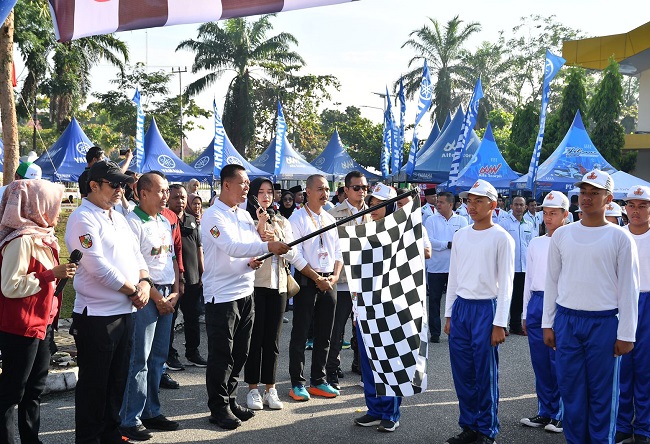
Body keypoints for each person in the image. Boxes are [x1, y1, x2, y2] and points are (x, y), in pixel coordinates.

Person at [542, 170, 639, 444]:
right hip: (568, 321)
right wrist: (548, 324)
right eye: (584, 192)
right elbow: (552, 282)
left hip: (604, 323)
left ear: (608, 199)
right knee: (571, 391)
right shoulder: (562, 236)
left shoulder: (620, 238)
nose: (587, 198)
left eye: (594, 193)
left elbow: (629, 290)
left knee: (602, 394)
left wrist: (626, 334)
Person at [65, 160, 152, 444]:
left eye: (123, 184)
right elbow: (97, 266)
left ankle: (111, 434)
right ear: (94, 186)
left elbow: (138, 256)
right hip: (97, 316)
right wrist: (132, 291)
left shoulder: (118, 216)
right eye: (114, 184)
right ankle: (89, 439)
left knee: (117, 382)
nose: (120, 190)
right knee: (95, 386)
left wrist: (144, 283)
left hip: (124, 312)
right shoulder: (82, 217)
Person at [201, 164, 290, 430]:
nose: (246, 188)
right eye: (242, 183)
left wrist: (256, 257)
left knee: (240, 352)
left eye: (248, 183)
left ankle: (230, 400)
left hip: (245, 290)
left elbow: (249, 249)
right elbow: (230, 246)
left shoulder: (242, 214)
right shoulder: (212, 216)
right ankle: (218, 408)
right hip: (222, 295)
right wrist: (266, 247)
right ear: (226, 185)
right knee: (222, 354)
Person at [0, 179, 75, 444]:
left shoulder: (43, 236)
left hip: (43, 325)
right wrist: (49, 275)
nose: (56, 209)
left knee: (34, 389)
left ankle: (32, 439)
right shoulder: (21, 241)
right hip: (21, 327)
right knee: (12, 392)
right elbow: (10, 286)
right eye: (52, 202)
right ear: (37, 205)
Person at [444, 179, 515, 444]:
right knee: (463, 372)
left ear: (493, 205)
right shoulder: (461, 235)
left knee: (485, 373)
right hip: (462, 307)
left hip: (487, 308)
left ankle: (487, 429)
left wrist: (500, 323)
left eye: (478, 201)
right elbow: (454, 277)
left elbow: (507, 285)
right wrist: (449, 314)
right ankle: (469, 425)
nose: (471, 206)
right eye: (468, 200)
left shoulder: (502, 238)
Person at [120, 171, 180, 441]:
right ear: (143, 193)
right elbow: (135, 268)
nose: (166, 195)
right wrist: (158, 298)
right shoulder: (132, 223)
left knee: (158, 359)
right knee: (139, 360)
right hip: (146, 298)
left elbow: (171, 260)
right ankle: (129, 418)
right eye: (161, 191)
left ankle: (151, 411)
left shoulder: (165, 221)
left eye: (167, 190)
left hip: (168, 295)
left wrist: (177, 291)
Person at [243, 178, 311, 411]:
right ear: (252, 195)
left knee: (272, 340)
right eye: (260, 192)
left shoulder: (282, 220)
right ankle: (252, 388)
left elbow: (292, 252)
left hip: (280, 286)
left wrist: (279, 243)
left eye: (269, 192)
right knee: (255, 338)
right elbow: (245, 252)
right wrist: (261, 232)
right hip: (254, 286)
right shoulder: (245, 220)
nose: (265, 196)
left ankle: (270, 388)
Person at [353, 182, 403, 432]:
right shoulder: (364, 231)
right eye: (371, 203)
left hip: (390, 307)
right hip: (365, 305)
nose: (373, 208)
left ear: (391, 205)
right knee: (368, 360)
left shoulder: (402, 231)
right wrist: (356, 307)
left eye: (379, 204)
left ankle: (390, 413)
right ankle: (373, 409)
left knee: (389, 360)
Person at [288, 174, 343, 402]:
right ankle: (297, 383)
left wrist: (334, 276)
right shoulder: (297, 218)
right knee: (301, 333)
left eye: (327, 189)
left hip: (330, 281)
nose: (325, 193)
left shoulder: (330, 218)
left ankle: (318, 380)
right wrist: (315, 277)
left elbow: (338, 252)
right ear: (308, 192)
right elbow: (294, 254)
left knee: (325, 334)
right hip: (307, 280)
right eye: (320, 189)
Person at [520, 192, 568, 434]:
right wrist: (525, 312)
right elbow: (529, 279)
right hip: (537, 301)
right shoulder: (536, 242)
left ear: (565, 215)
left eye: (553, 213)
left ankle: (561, 413)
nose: (548, 218)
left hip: (560, 303)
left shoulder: (569, 240)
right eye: (545, 213)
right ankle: (545, 410)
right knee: (540, 361)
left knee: (558, 361)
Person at [326, 171, 372, 389]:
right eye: (357, 188)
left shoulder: (373, 213)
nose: (362, 192)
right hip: (343, 281)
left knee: (364, 329)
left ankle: (362, 367)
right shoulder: (334, 214)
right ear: (346, 190)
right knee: (336, 329)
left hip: (366, 282)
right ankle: (332, 370)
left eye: (365, 188)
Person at [616, 185, 650, 444]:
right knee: (622, 368)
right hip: (622, 303)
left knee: (646, 370)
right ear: (625, 208)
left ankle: (645, 428)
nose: (636, 211)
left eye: (643, 205)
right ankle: (622, 425)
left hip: (648, 303)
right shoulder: (617, 236)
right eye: (632, 205)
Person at [168, 185, 207, 369]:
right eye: (176, 197)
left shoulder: (192, 220)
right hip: (173, 280)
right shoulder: (164, 220)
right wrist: (178, 279)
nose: (180, 201)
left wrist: (202, 271)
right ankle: (169, 354)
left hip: (193, 278)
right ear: (168, 198)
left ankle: (193, 353)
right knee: (170, 319)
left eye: (183, 197)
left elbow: (199, 247)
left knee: (193, 318)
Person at [424, 191, 468, 344]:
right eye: (437, 202)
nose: (438, 204)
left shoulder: (462, 220)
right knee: (434, 301)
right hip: (436, 268)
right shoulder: (431, 220)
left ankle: (454, 330)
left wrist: (448, 244)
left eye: (441, 202)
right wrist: (447, 244)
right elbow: (430, 241)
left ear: (451, 204)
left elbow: (464, 240)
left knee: (456, 301)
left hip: (455, 268)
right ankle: (435, 333)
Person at [499, 196, 534, 335]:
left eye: (521, 205)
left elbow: (531, 245)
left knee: (519, 297)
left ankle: (515, 324)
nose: (519, 207)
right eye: (516, 204)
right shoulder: (504, 224)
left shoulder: (529, 225)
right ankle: (501, 325)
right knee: (506, 296)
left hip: (523, 267)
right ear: (511, 206)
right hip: (509, 266)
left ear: (525, 207)